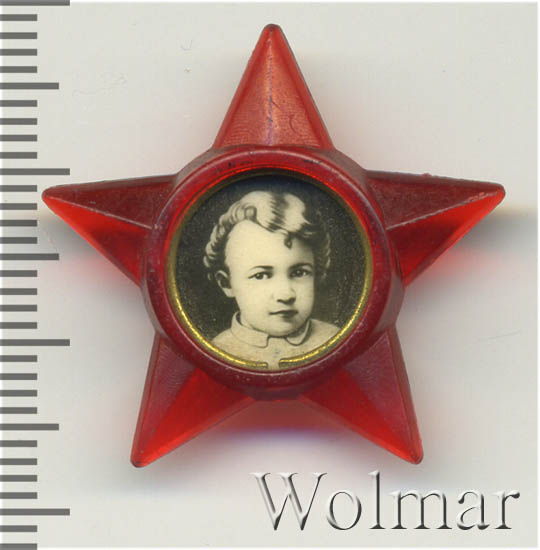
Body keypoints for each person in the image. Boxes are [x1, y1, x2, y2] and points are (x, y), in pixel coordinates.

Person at [203, 189, 339, 369]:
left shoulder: (334, 340)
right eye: (261, 275)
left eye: (299, 273)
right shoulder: (217, 349)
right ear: (226, 283)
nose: (285, 295)